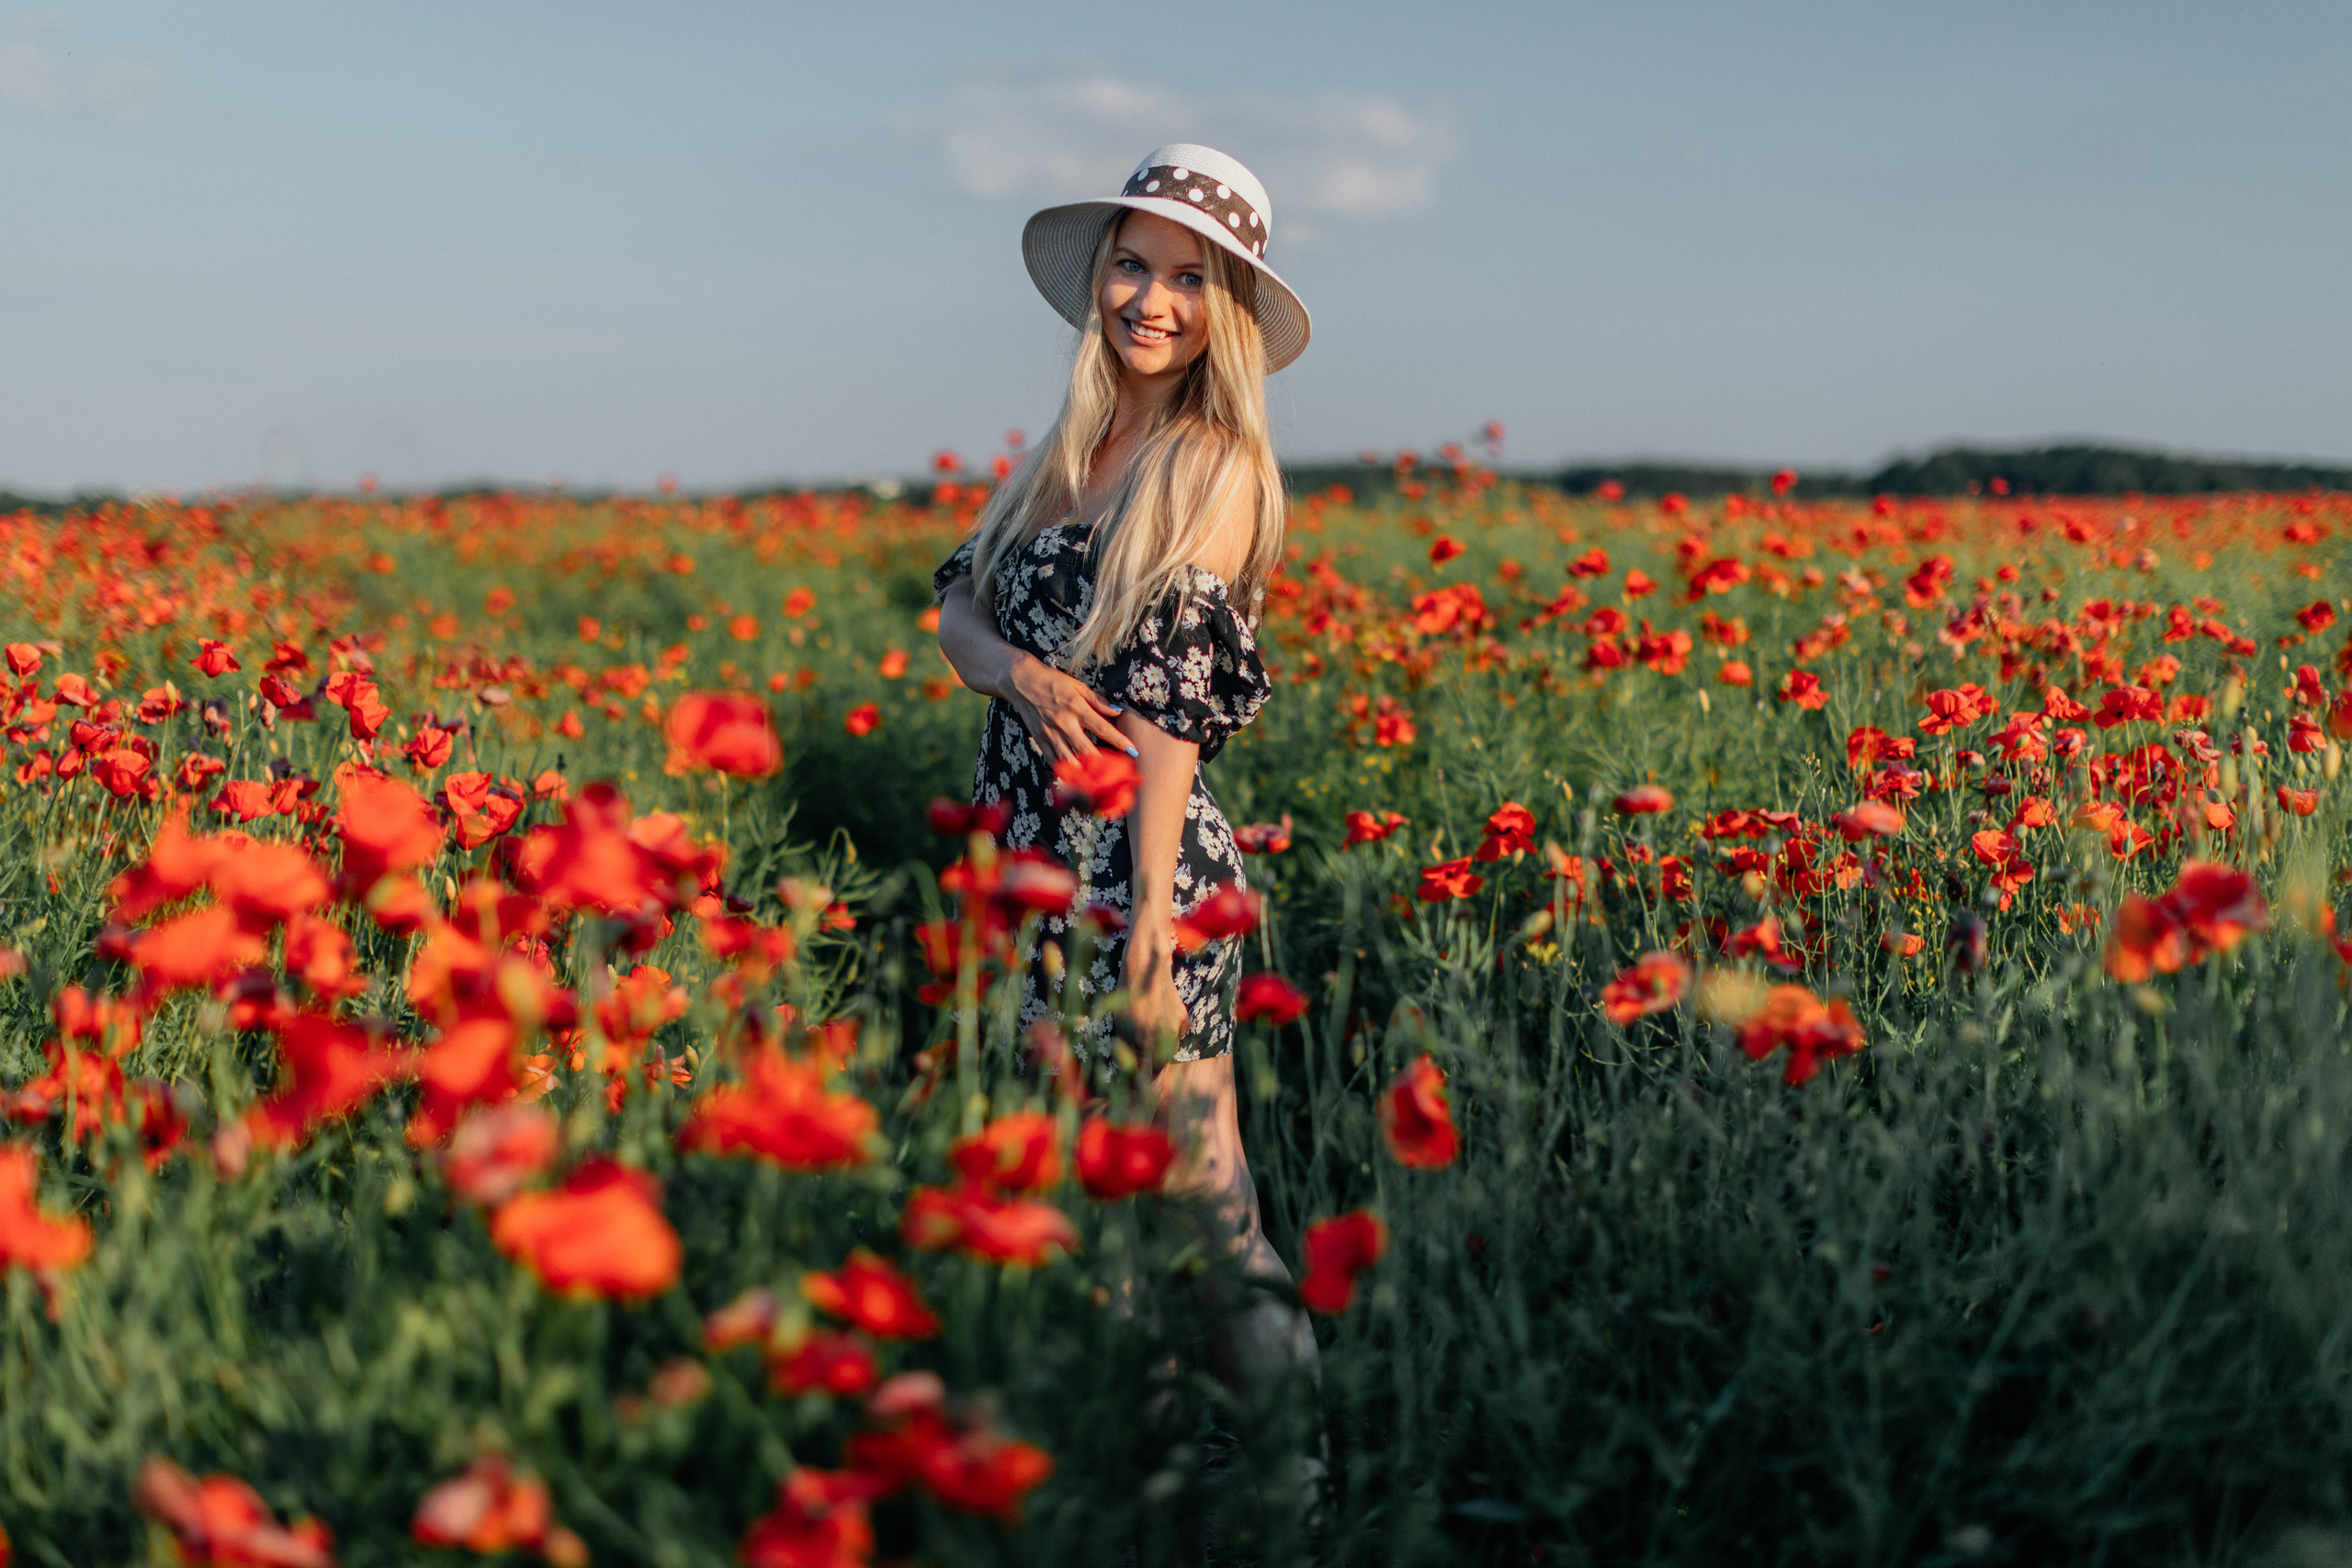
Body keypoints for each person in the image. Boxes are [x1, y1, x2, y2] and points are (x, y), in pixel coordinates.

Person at [931, 142, 1320, 1463]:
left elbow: (1169, 709)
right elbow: (958, 602)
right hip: (1037, 870)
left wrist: (1149, 912)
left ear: (1228, 314)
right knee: (1098, 1217)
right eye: (1132, 264)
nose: (1150, 299)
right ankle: (1156, 1497)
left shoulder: (1207, 463)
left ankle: (1298, 1501)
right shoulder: (1080, 443)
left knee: (1213, 1210)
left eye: (1188, 279)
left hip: (1138, 877)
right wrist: (1018, 674)